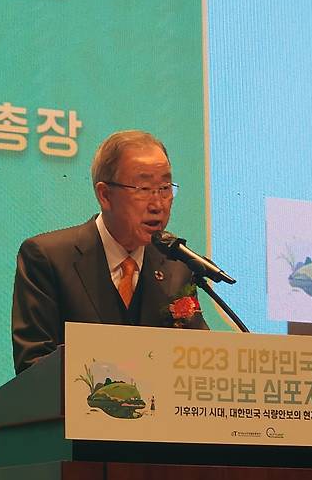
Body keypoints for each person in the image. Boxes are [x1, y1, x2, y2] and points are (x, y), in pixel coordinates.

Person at [12, 130, 208, 372]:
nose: (158, 204)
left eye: (165, 188)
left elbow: (197, 362)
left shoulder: (177, 265)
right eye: (144, 188)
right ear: (105, 195)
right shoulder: (48, 258)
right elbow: (34, 366)